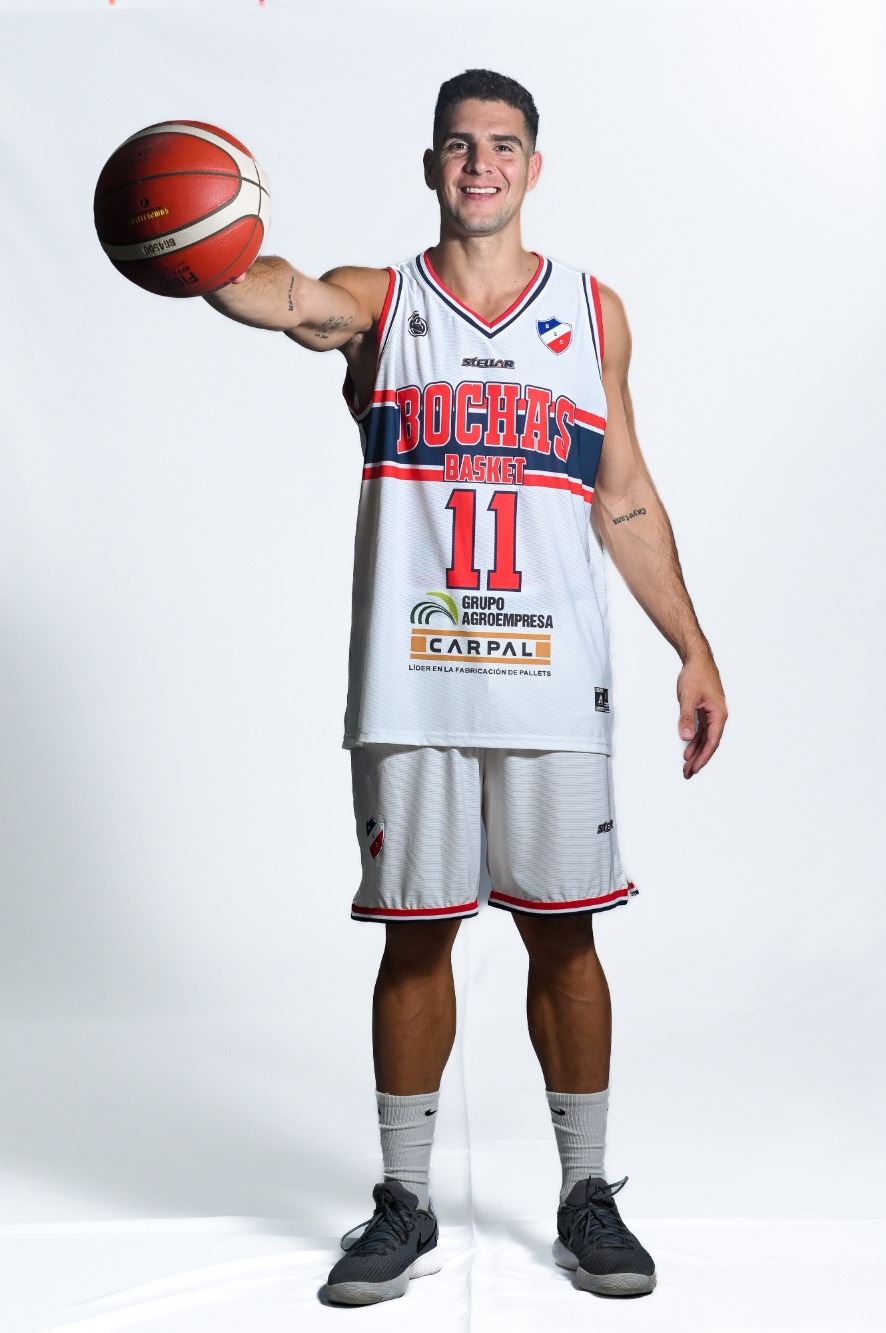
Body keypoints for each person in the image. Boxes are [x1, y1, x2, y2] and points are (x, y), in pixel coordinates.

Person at [204, 67, 727, 1306]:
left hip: (553, 683)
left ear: (533, 168)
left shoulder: (590, 313)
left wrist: (692, 646)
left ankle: (585, 1193)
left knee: (566, 933)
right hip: (414, 684)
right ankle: (404, 1200)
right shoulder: (383, 302)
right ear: (430, 166)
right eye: (457, 145)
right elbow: (281, 296)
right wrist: (190, 239)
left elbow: (623, 497)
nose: (480, 165)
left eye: (501, 145)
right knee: (415, 936)